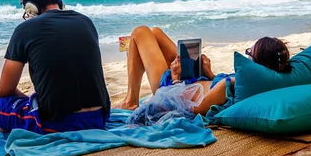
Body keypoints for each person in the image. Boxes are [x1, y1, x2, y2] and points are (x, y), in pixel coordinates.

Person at [0, 0, 110, 134]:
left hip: (57, 123)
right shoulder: (86, 22)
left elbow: (5, 91)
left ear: (31, 8)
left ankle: (6, 122)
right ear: (59, 2)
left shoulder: (24, 30)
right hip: (98, 119)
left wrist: (27, 102)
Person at [117, 26, 290, 116]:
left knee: (140, 32)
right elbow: (223, 93)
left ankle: (131, 101)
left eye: (249, 53)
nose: (247, 58)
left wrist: (176, 77)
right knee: (155, 33)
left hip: (172, 90)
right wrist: (209, 74)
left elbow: (193, 109)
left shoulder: (229, 83)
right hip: (193, 80)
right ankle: (131, 98)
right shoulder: (257, 79)